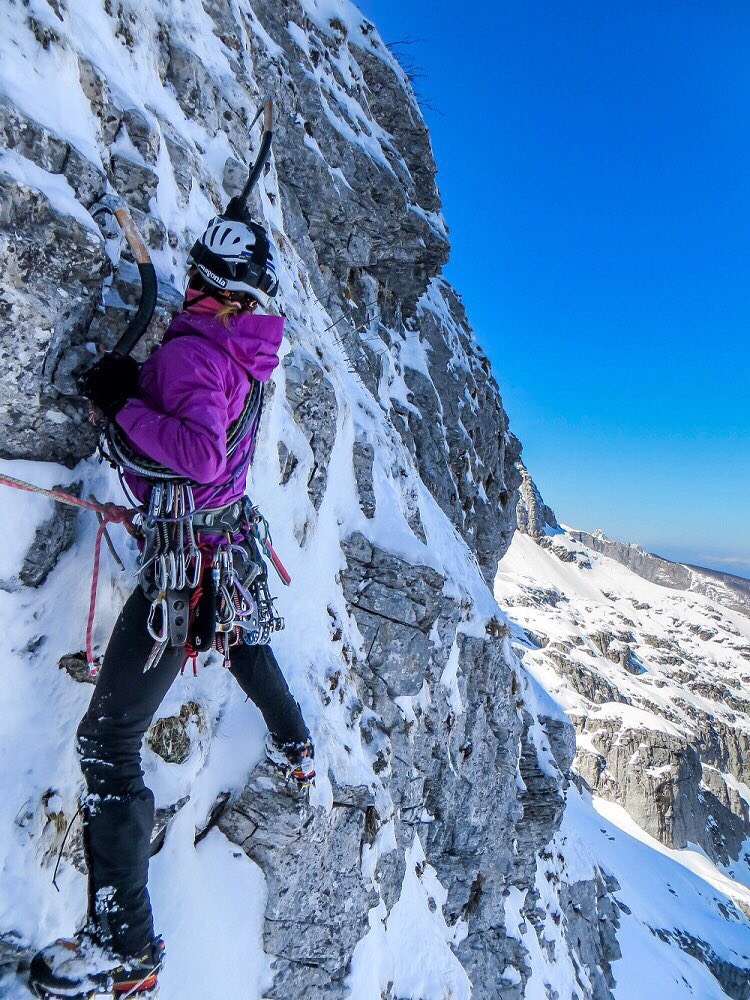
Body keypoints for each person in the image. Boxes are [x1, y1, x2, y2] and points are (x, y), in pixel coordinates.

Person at [29, 215, 313, 1000]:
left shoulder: (194, 351)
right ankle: (127, 947)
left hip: (180, 573)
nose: (186, 286)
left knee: (109, 741)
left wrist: (121, 403)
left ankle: (123, 946)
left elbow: (197, 454)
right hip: (211, 560)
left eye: (195, 277)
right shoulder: (242, 354)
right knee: (212, 677)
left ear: (207, 285)